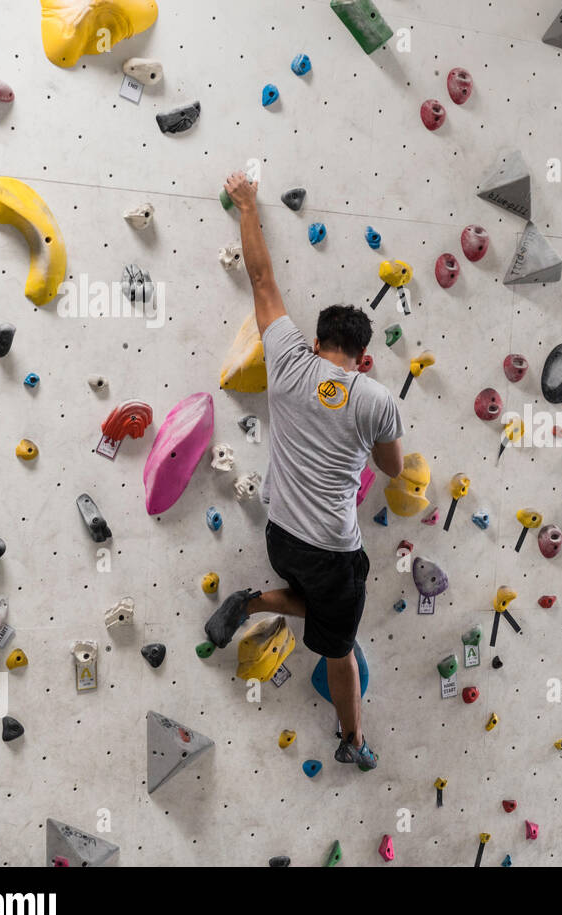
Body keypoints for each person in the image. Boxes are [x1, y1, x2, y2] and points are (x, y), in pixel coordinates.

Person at [204, 171, 405, 772]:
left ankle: (257, 597)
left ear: (317, 342)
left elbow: (261, 277)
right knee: (339, 650)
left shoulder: (288, 360)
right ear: (363, 358)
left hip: (281, 535)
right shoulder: (376, 397)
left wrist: (245, 202)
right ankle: (352, 739)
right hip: (331, 550)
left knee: (324, 603)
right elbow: (391, 472)